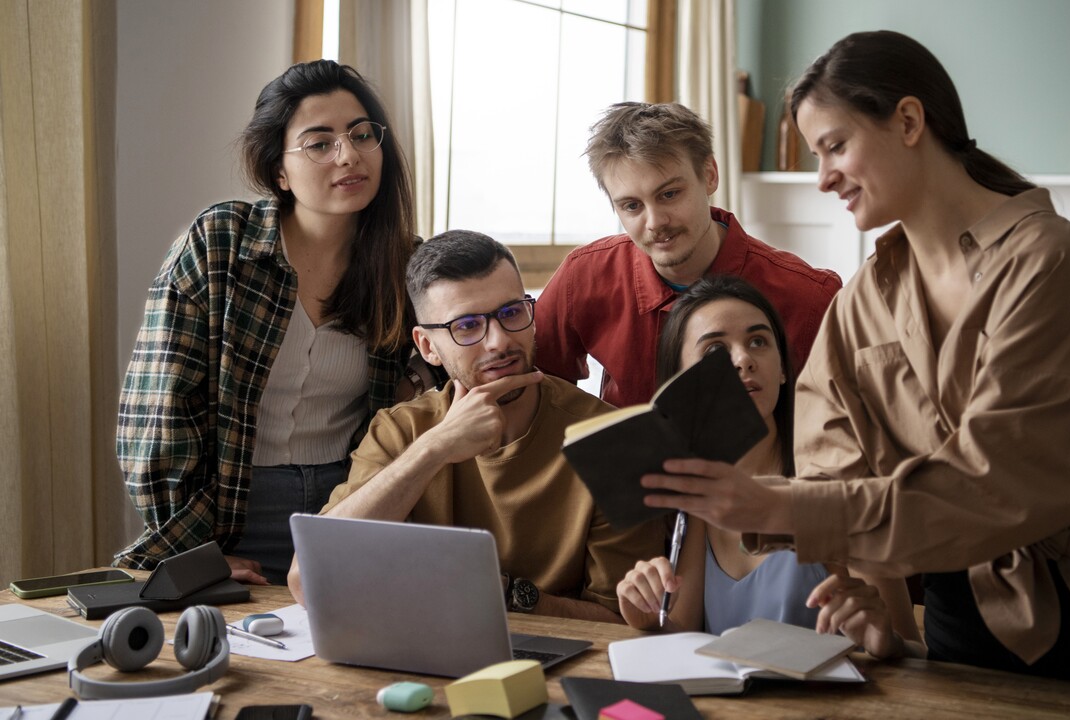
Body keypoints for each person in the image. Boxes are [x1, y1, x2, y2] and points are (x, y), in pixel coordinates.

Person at [641, 30, 1070, 697]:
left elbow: (998, 477)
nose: (822, 176)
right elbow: (830, 451)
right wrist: (855, 589)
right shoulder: (863, 299)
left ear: (909, 121)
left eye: (834, 146)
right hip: (958, 616)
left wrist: (782, 503)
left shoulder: (1045, 262)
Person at [114, 60, 417, 585]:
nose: (349, 155)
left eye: (362, 134)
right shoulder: (220, 243)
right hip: (225, 516)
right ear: (279, 170)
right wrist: (194, 555)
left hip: (348, 512)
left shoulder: (404, 265)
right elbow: (157, 415)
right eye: (319, 143)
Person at [286, 231, 665, 620]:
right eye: (466, 326)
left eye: (511, 313)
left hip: (558, 658)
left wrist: (499, 593)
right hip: (417, 653)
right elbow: (308, 582)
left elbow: (624, 619)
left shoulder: (610, 439)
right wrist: (435, 448)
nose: (499, 342)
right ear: (427, 346)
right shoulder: (399, 431)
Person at [615, 275, 922, 649]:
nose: (743, 360)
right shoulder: (698, 498)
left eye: (758, 342)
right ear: (680, 386)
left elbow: (909, 646)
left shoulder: (837, 477)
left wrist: (884, 642)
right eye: (715, 352)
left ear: (781, 370)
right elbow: (685, 635)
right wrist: (646, 617)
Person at [534, 102, 841, 409]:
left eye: (669, 194)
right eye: (632, 206)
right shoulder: (584, 275)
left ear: (709, 175)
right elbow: (534, 388)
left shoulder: (811, 297)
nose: (655, 223)